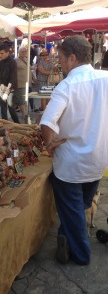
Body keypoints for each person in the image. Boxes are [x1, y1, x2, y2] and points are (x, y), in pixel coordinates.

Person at [40, 35, 108, 266]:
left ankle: (81, 255)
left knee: (74, 210)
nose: (59, 63)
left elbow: (47, 122)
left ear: (72, 57)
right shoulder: (106, 78)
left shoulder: (67, 85)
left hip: (70, 164)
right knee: (80, 205)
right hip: (98, 160)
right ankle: (65, 236)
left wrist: (49, 144)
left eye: (61, 58)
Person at [0, 43, 19, 123]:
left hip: (11, 89)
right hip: (3, 88)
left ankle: (17, 125)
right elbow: (3, 75)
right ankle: (5, 126)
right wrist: (2, 86)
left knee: (11, 109)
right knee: (3, 109)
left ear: (7, 52)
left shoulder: (12, 62)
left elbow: (13, 78)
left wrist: (7, 91)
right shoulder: (2, 62)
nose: (0, 55)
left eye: (2, 53)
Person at [15, 46, 32, 118]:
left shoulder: (26, 59)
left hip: (27, 83)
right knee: (22, 100)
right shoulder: (15, 60)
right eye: (22, 51)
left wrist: (33, 79)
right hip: (20, 83)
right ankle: (25, 115)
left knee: (26, 99)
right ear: (19, 52)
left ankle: (26, 113)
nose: (24, 53)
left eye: (25, 51)